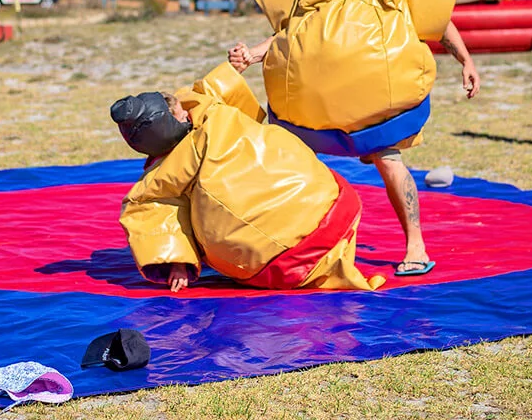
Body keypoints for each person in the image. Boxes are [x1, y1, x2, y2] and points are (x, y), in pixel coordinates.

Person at [228, 0, 480, 278]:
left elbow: (440, 20)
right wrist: (252, 54)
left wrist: (465, 60)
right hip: (306, 114)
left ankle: (415, 244)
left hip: (375, 111)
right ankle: (279, 244)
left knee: (390, 162)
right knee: (286, 165)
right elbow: (286, 33)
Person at [113, 61, 385, 293]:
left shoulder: (160, 177)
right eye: (180, 110)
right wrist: (235, 66)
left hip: (272, 262)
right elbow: (217, 86)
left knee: (193, 207)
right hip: (332, 208)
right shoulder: (210, 108)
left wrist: (176, 262)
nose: (187, 111)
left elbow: (148, 211)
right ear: (172, 116)